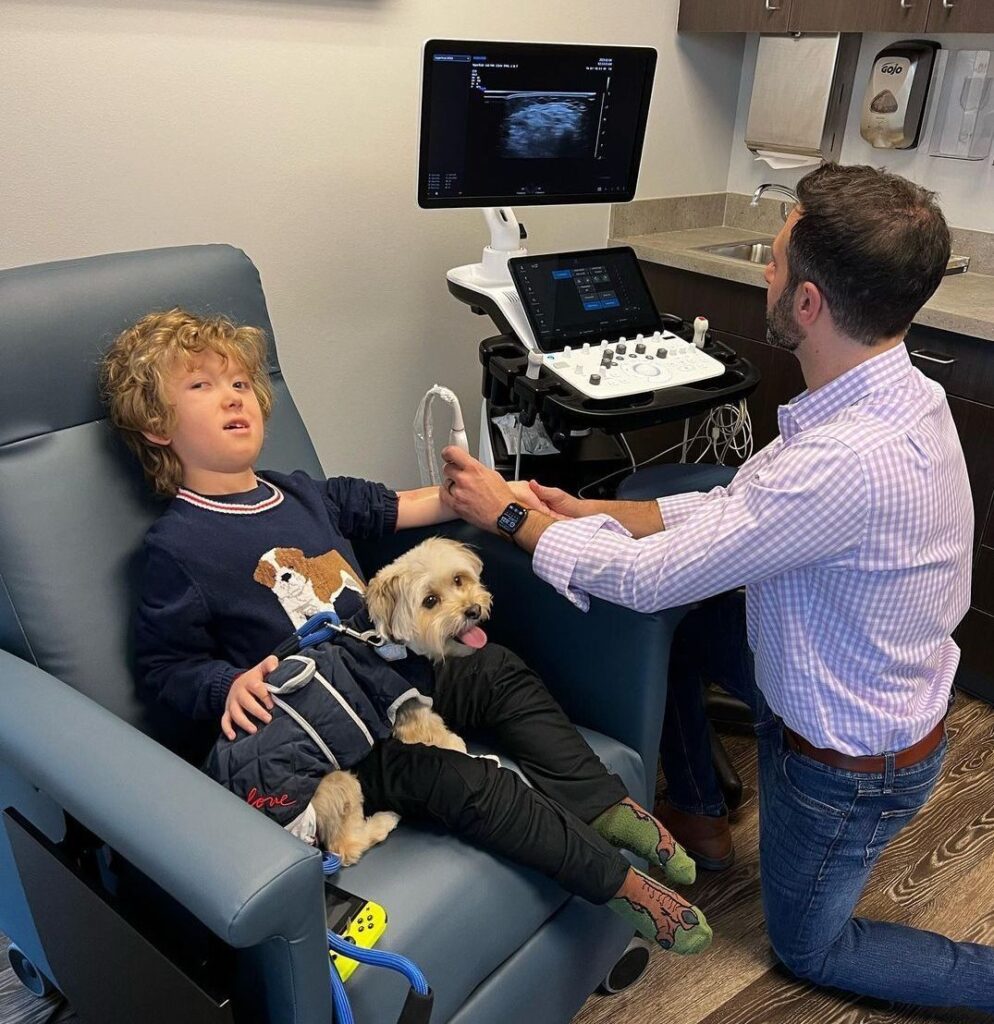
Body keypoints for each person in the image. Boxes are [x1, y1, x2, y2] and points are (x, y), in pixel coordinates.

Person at [439, 163, 994, 1010]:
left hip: (852, 764)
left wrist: (511, 518)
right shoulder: (893, 396)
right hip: (863, 682)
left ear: (807, 303)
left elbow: (649, 580)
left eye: (774, 262)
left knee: (813, 950)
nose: (766, 272)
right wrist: (583, 507)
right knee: (690, 634)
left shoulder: (841, 461)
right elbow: (736, 504)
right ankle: (697, 806)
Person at [99, 307, 714, 956]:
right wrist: (226, 685)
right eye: (201, 386)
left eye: (239, 383)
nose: (231, 396)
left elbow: (404, 506)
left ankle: (606, 806)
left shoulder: (301, 493)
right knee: (468, 782)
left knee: (494, 668)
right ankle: (621, 885)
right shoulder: (178, 546)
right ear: (156, 425)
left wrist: (484, 494)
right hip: (341, 742)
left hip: (391, 676)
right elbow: (165, 667)